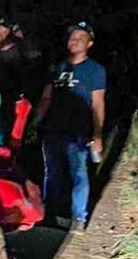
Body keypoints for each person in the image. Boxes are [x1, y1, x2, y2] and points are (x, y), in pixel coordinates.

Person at [34, 22, 106, 233]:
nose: (75, 42)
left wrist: (98, 132)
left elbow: (98, 103)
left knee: (79, 173)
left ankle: (78, 218)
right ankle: (49, 215)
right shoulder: (58, 67)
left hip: (78, 131)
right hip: (53, 129)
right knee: (52, 174)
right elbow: (46, 98)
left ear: (89, 44)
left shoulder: (95, 70)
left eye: (80, 39)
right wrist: (35, 122)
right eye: (72, 38)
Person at [0, 16, 40, 146]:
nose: (0, 37)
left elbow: (33, 66)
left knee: (8, 139)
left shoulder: (22, 51)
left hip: (14, 104)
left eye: (4, 33)